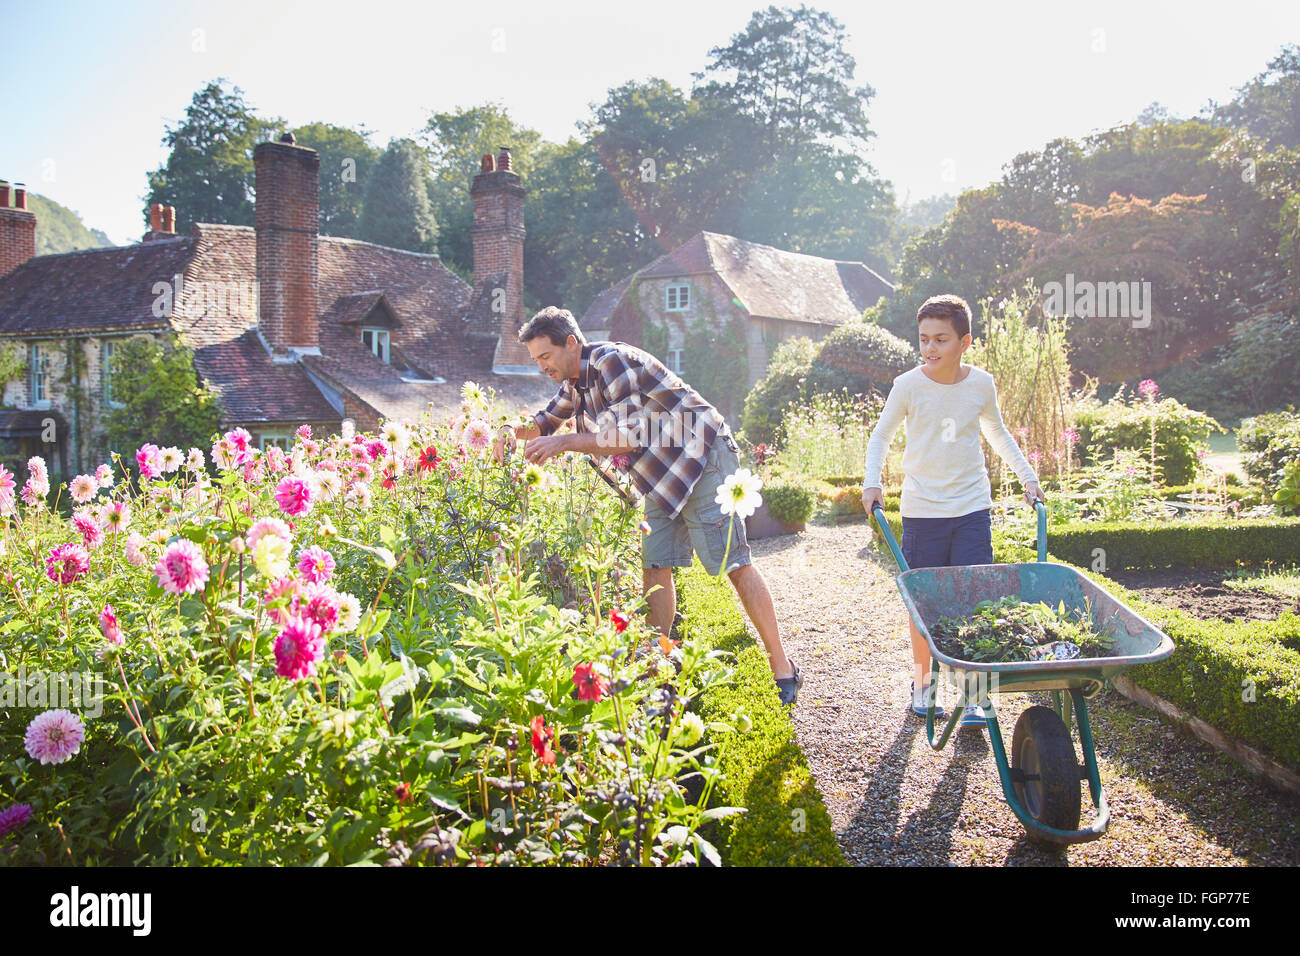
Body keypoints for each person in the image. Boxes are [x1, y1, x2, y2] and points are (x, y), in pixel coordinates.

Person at [496, 308, 804, 704]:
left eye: (545, 356)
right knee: (655, 567)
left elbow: (627, 437)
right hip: (663, 477)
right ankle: (661, 665)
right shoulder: (575, 382)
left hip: (701, 457)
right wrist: (507, 430)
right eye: (536, 359)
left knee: (734, 564)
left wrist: (563, 444)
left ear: (571, 343)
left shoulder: (611, 361)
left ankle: (783, 667)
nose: (541, 366)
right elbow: (543, 422)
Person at [861, 294, 1044, 729]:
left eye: (941, 339)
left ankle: (975, 692)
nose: (930, 348)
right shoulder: (907, 385)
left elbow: (997, 432)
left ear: (965, 342)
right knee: (924, 603)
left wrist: (1028, 477)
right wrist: (873, 481)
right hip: (923, 510)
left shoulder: (981, 384)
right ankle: (923, 684)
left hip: (971, 508)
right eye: (924, 339)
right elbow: (881, 435)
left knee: (973, 599)